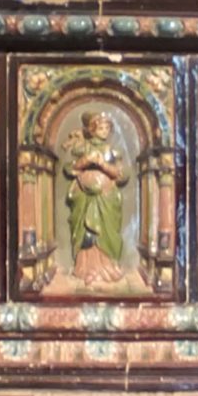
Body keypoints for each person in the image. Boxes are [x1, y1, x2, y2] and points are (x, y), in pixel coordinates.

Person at [61, 109, 130, 289]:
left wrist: (102, 164)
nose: (105, 131)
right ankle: (85, 270)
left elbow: (122, 175)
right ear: (91, 129)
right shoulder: (82, 148)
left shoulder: (112, 152)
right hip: (84, 199)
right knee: (86, 233)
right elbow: (68, 168)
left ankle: (108, 268)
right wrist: (83, 162)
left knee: (106, 233)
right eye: (100, 127)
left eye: (107, 127)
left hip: (106, 198)